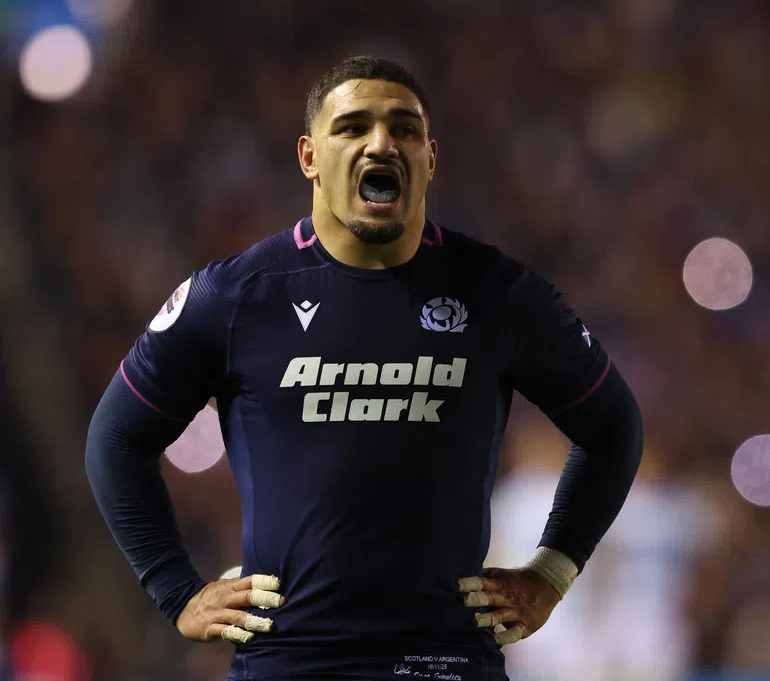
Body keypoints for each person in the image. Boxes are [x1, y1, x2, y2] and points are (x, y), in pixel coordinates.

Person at [85, 56, 644, 681]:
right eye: (353, 126)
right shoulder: (237, 297)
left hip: (446, 662)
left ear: (429, 158)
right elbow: (116, 438)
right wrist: (176, 590)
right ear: (309, 157)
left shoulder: (498, 294)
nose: (381, 142)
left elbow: (613, 425)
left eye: (404, 129)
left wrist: (551, 571)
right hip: (288, 662)